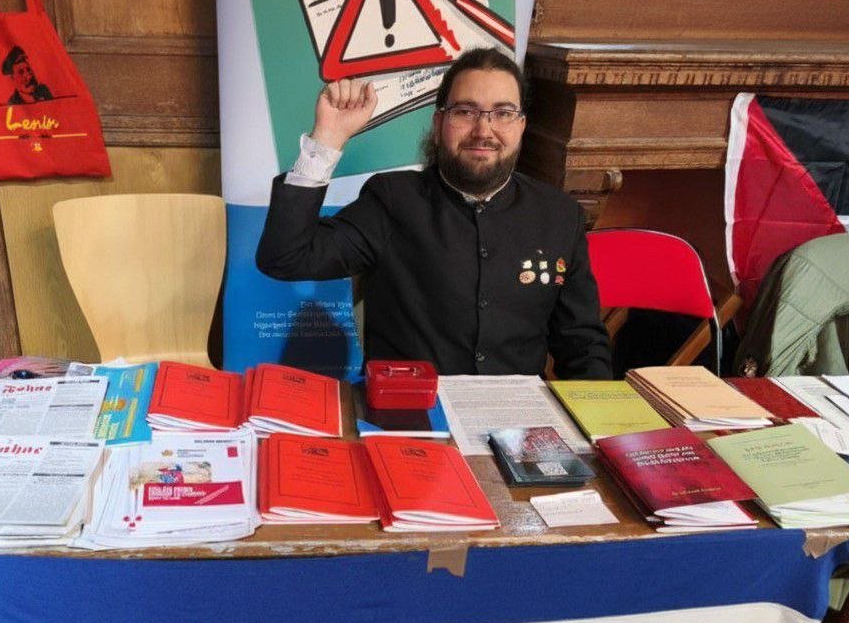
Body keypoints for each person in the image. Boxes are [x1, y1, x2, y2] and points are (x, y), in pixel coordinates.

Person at [256, 47, 612, 379]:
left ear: (521, 126)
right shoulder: (392, 201)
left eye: (503, 113)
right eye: (465, 112)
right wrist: (327, 139)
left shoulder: (560, 215)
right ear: (439, 123)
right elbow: (287, 258)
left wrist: (594, 416)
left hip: (516, 417)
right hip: (409, 411)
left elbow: (581, 343)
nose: (483, 130)